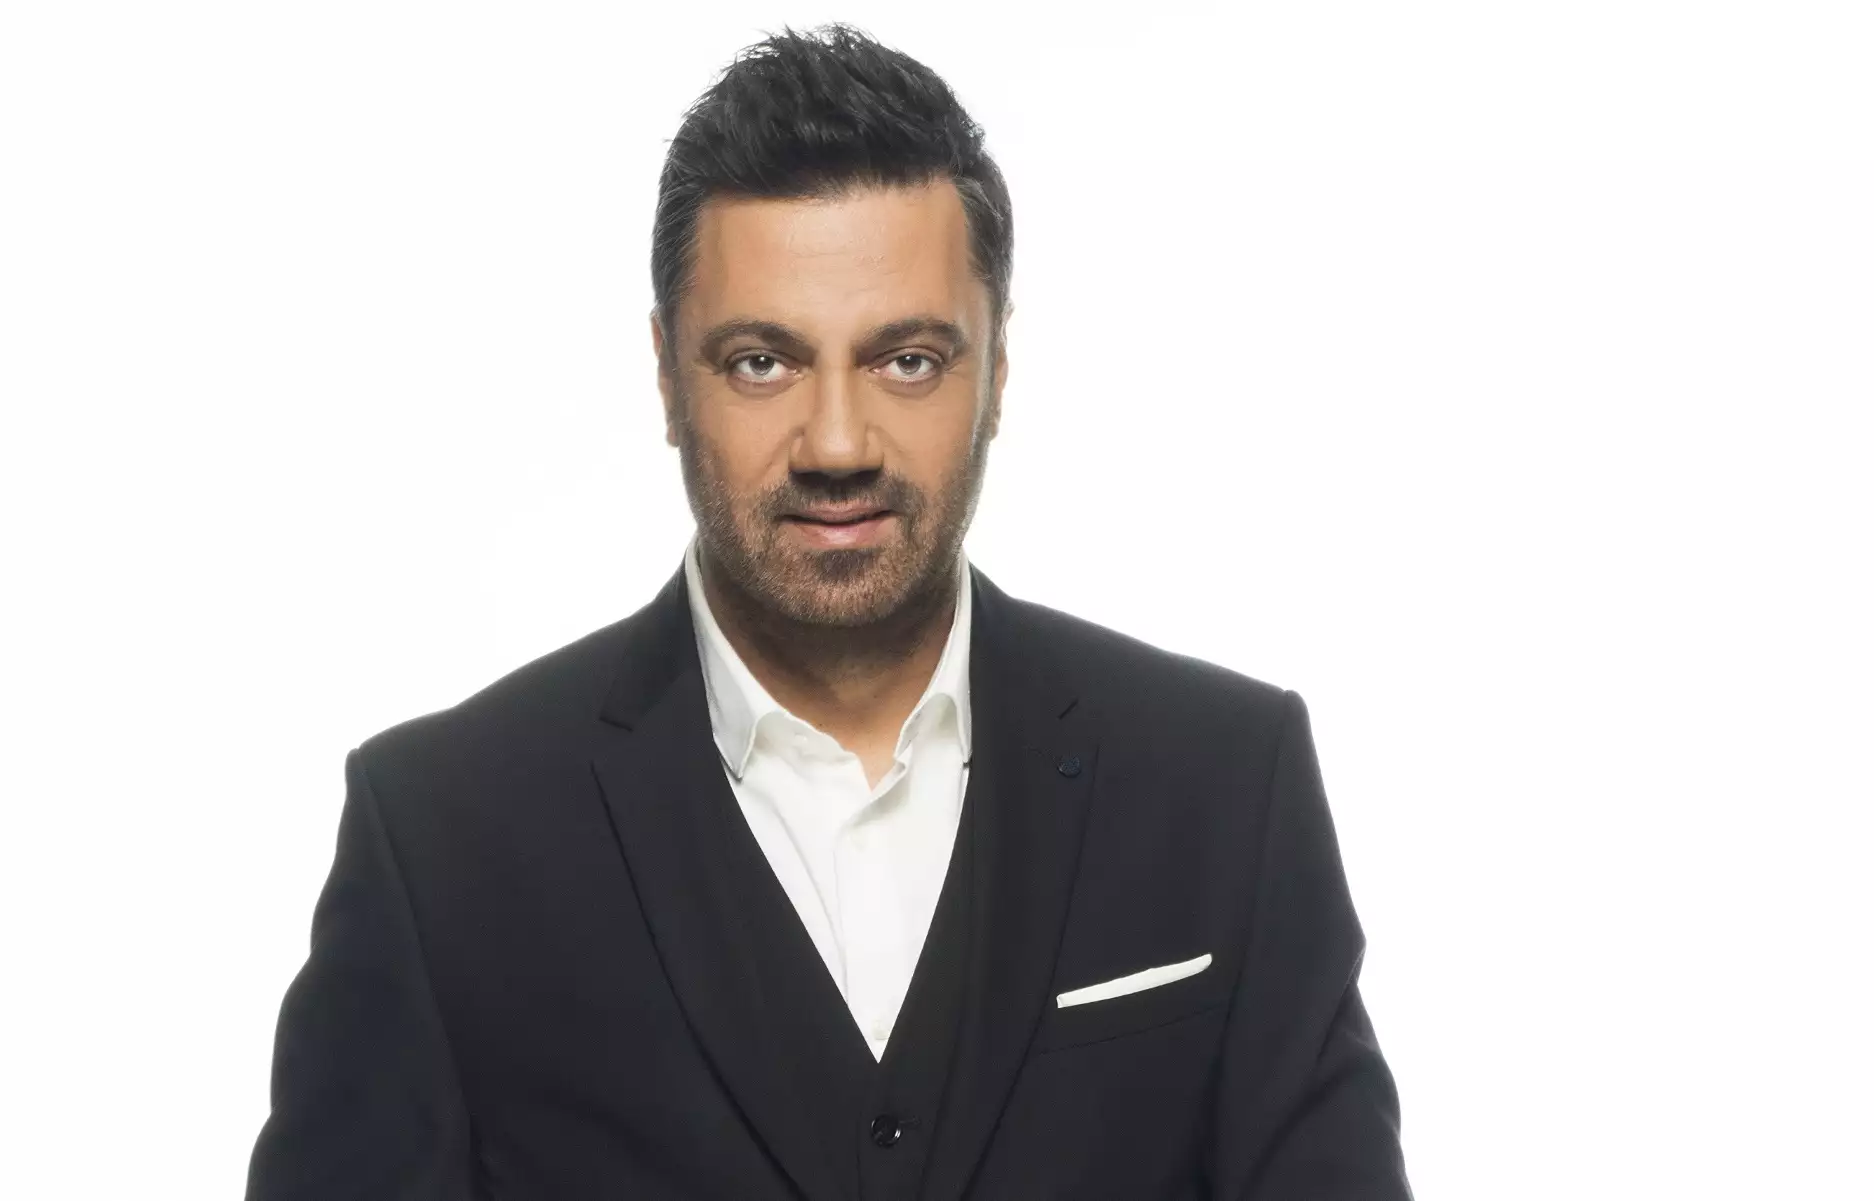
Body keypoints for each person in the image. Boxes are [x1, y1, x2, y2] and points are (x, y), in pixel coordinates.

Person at [246, 23, 1411, 1201]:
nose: (839, 444)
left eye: (907, 360)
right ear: (667, 375)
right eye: (763, 361)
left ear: (996, 372)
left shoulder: (1223, 786)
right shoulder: (443, 841)